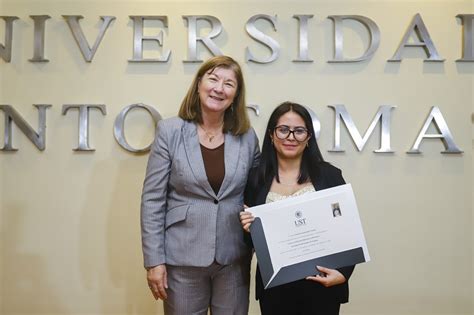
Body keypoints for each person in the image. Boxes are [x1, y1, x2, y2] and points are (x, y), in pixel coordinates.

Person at [141, 55, 260, 315]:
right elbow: (153, 200)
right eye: (213, 79)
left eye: (229, 84)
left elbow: (259, 191)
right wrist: (154, 261)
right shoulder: (170, 131)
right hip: (181, 258)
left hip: (233, 258)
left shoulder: (247, 137)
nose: (219, 88)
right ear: (198, 84)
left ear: (236, 95)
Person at [240, 101, 355, 315]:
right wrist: (248, 230)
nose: (291, 137)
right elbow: (248, 243)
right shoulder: (255, 179)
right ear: (271, 135)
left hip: (322, 285)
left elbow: (347, 229)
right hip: (275, 290)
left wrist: (343, 274)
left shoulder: (330, 175)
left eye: (299, 131)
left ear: (309, 137)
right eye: (283, 130)